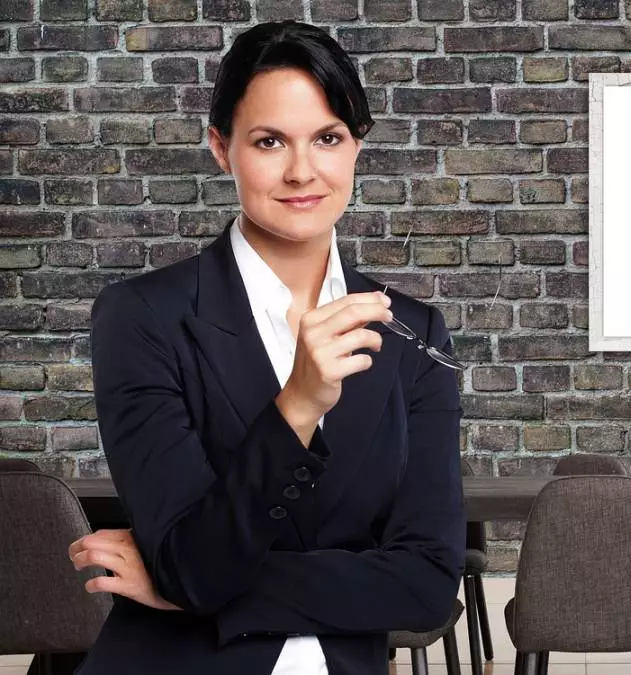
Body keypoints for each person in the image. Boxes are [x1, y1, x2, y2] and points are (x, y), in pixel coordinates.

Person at [68, 20, 466, 675]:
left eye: (328, 138)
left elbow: (424, 585)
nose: (302, 170)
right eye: (269, 141)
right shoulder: (143, 318)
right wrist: (300, 403)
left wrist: (183, 587)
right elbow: (194, 564)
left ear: (357, 147)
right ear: (221, 148)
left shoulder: (414, 336)